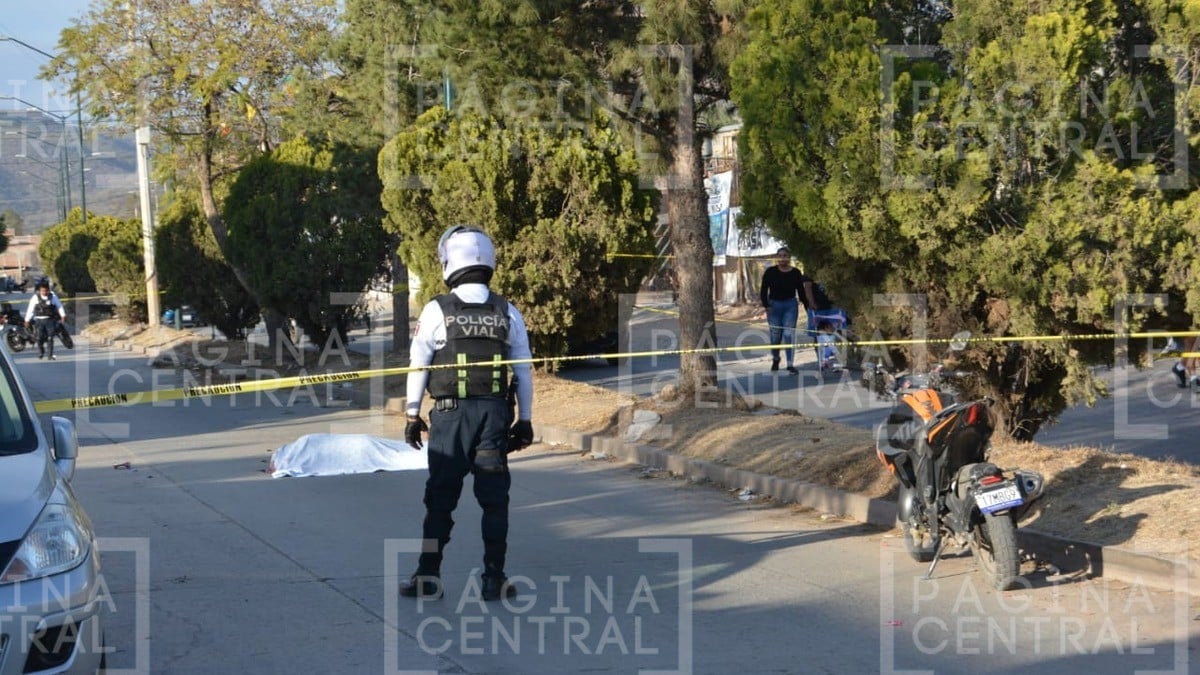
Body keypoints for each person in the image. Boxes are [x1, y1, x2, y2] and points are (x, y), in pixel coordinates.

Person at [401, 225, 535, 602]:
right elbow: (523, 371)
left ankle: (428, 577)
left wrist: (412, 414)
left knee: (440, 500)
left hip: (451, 419)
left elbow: (418, 366)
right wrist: (525, 420)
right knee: (495, 501)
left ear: (449, 262)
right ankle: (494, 579)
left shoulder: (436, 310)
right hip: (494, 417)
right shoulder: (508, 311)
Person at [759, 247, 817, 374]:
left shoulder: (795, 273)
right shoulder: (770, 272)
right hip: (774, 306)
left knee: (789, 334)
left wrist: (807, 306)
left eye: (785, 255)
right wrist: (766, 305)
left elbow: (801, 292)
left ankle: (790, 364)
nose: (782, 258)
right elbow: (763, 290)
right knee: (775, 335)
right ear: (777, 258)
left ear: (789, 258)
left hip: (790, 306)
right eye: (780, 256)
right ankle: (776, 358)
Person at [24, 278, 66, 360]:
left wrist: (63, 316)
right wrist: (27, 320)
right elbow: (30, 309)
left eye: (46, 291)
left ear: (48, 290)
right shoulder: (35, 298)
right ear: (39, 290)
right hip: (39, 321)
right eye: (42, 291)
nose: (44, 292)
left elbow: (59, 306)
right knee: (39, 338)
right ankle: (41, 352)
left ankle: (50, 354)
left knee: (50, 338)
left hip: (50, 320)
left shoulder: (53, 297)